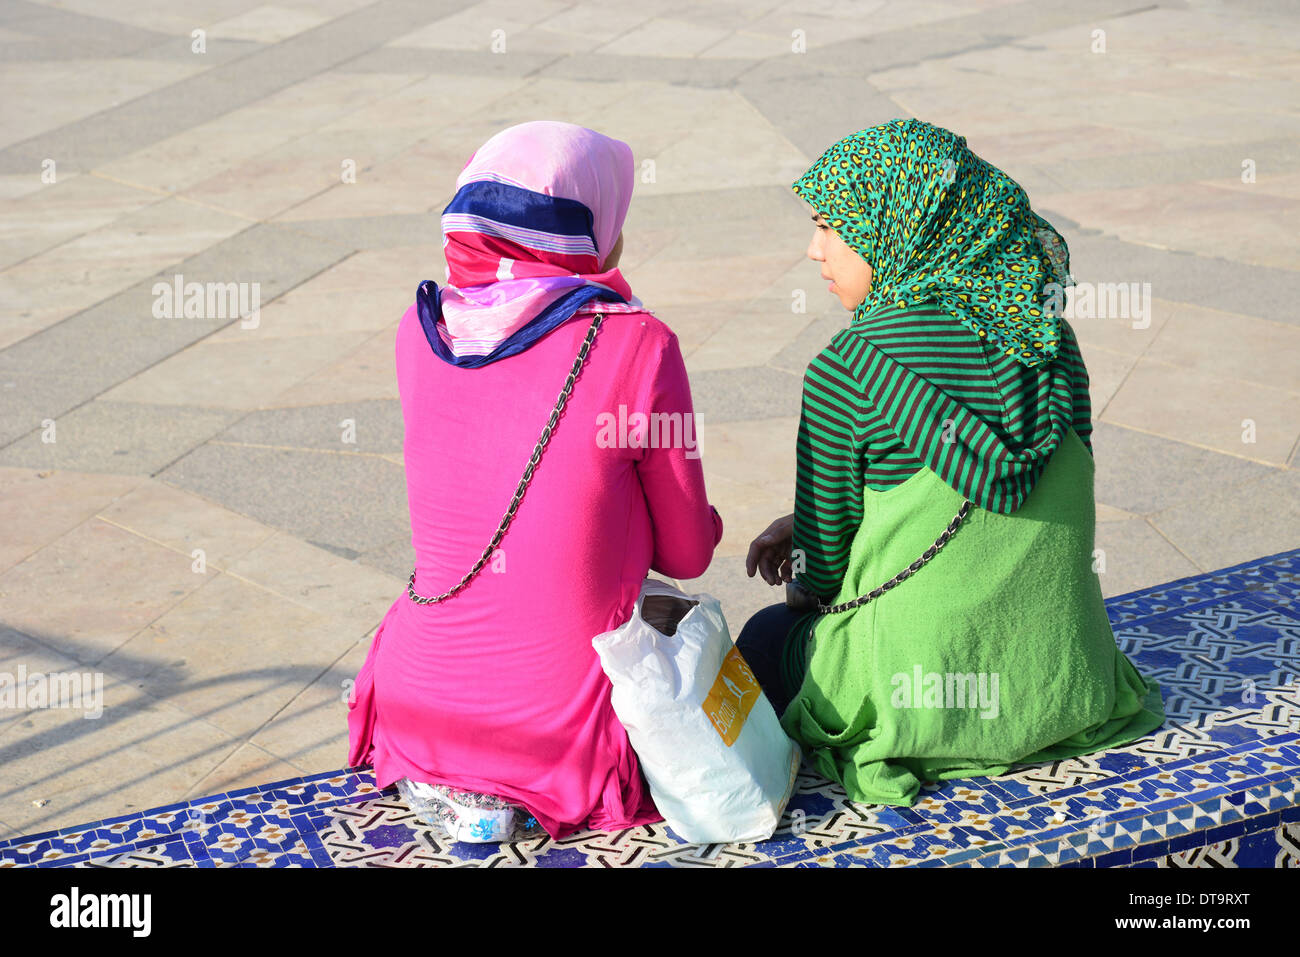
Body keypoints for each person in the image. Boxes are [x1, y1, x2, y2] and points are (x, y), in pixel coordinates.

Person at [737, 119, 1165, 807]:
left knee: (765, 636)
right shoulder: (1049, 343)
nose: (814, 250)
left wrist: (807, 575)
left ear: (900, 226)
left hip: (914, 707)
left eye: (832, 226)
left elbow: (820, 577)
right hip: (1068, 687)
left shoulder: (848, 369)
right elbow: (1038, 495)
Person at [347, 121, 724, 842]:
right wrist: (701, 521)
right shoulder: (639, 343)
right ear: (585, 228)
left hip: (416, 704)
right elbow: (685, 557)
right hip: (559, 731)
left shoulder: (421, 330)